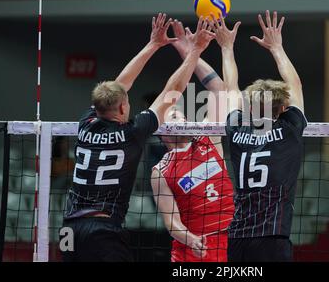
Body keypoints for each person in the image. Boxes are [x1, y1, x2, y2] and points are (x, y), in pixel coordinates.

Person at [61, 14, 215, 262]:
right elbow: (171, 93)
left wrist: (152, 44)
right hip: (104, 231)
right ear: (122, 108)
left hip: (70, 228)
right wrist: (195, 50)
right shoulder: (132, 132)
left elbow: (118, 86)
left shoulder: (86, 124)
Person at [210, 11, 307, 262]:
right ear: (283, 109)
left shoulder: (237, 130)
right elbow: (295, 84)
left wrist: (226, 47)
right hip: (272, 238)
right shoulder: (289, 129)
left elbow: (230, 88)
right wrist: (277, 47)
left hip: (238, 236)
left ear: (249, 107)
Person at [151, 20, 234, 262]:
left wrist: (189, 52)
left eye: (182, 113)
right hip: (196, 247)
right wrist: (191, 239)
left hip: (232, 238)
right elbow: (171, 220)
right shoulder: (161, 171)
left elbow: (220, 90)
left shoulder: (208, 138)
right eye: (173, 115)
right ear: (162, 130)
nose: (181, 117)